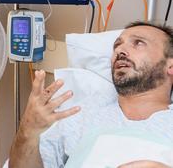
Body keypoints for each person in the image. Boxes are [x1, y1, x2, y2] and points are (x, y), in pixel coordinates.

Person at [9, 21, 173, 168]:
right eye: (117, 45)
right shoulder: (79, 114)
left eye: (138, 43)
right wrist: (27, 131)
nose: (120, 50)